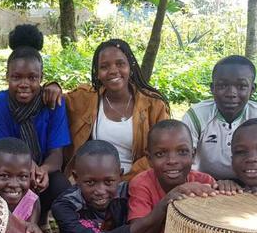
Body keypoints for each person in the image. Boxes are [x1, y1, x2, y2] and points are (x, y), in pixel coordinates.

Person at [45, 39, 170, 180]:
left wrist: (124, 181)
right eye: (104, 67)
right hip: (93, 181)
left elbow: (162, 151)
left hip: (137, 180)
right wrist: (53, 85)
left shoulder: (154, 105)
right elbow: (56, 99)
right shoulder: (86, 98)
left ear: (131, 66)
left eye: (120, 64)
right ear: (97, 73)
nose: (113, 71)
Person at [128, 120, 217, 233]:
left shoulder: (204, 182)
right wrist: (166, 202)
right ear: (149, 158)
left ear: (193, 155)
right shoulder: (141, 184)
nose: (172, 161)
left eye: (182, 152)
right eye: (161, 154)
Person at [0, 24, 71, 217]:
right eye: (17, 77)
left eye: (32, 78)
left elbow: (56, 155)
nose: (24, 84)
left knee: (63, 189)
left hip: (43, 171)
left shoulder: (53, 102)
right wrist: (26, 168)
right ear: (7, 76)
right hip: (10, 173)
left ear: (41, 78)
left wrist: (42, 170)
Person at [181, 55, 257, 181]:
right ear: (212, 88)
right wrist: (212, 183)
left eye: (241, 86)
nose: (231, 93)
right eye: (222, 86)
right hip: (202, 183)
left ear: (252, 89)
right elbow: (182, 158)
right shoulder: (197, 115)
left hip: (250, 183)